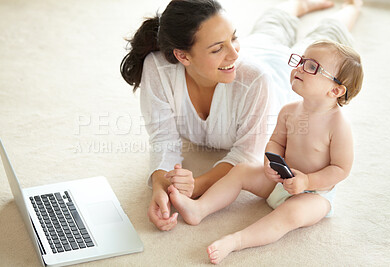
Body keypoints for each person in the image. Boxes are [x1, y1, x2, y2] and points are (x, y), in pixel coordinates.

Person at [120, 0, 357, 231]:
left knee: (325, 34)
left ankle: (347, 6)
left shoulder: (256, 79)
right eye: (217, 48)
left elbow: (246, 156)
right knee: (270, 27)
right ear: (183, 56)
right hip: (256, 52)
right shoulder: (158, 69)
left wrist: (194, 188)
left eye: (233, 37)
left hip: (279, 69)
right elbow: (163, 138)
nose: (234, 53)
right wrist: (161, 187)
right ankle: (300, 6)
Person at [168, 38, 364, 264]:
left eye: (312, 67)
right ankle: (199, 209)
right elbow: (275, 143)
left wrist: (308, 182)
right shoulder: (289, 111)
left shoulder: (338, 126)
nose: (299, 67)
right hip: (281, 179)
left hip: (314, 194)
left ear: (335, 90)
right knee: (241, 171)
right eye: (301, 61)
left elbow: (340, 169)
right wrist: (270, 163)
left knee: (292, 214)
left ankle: (236, 240)